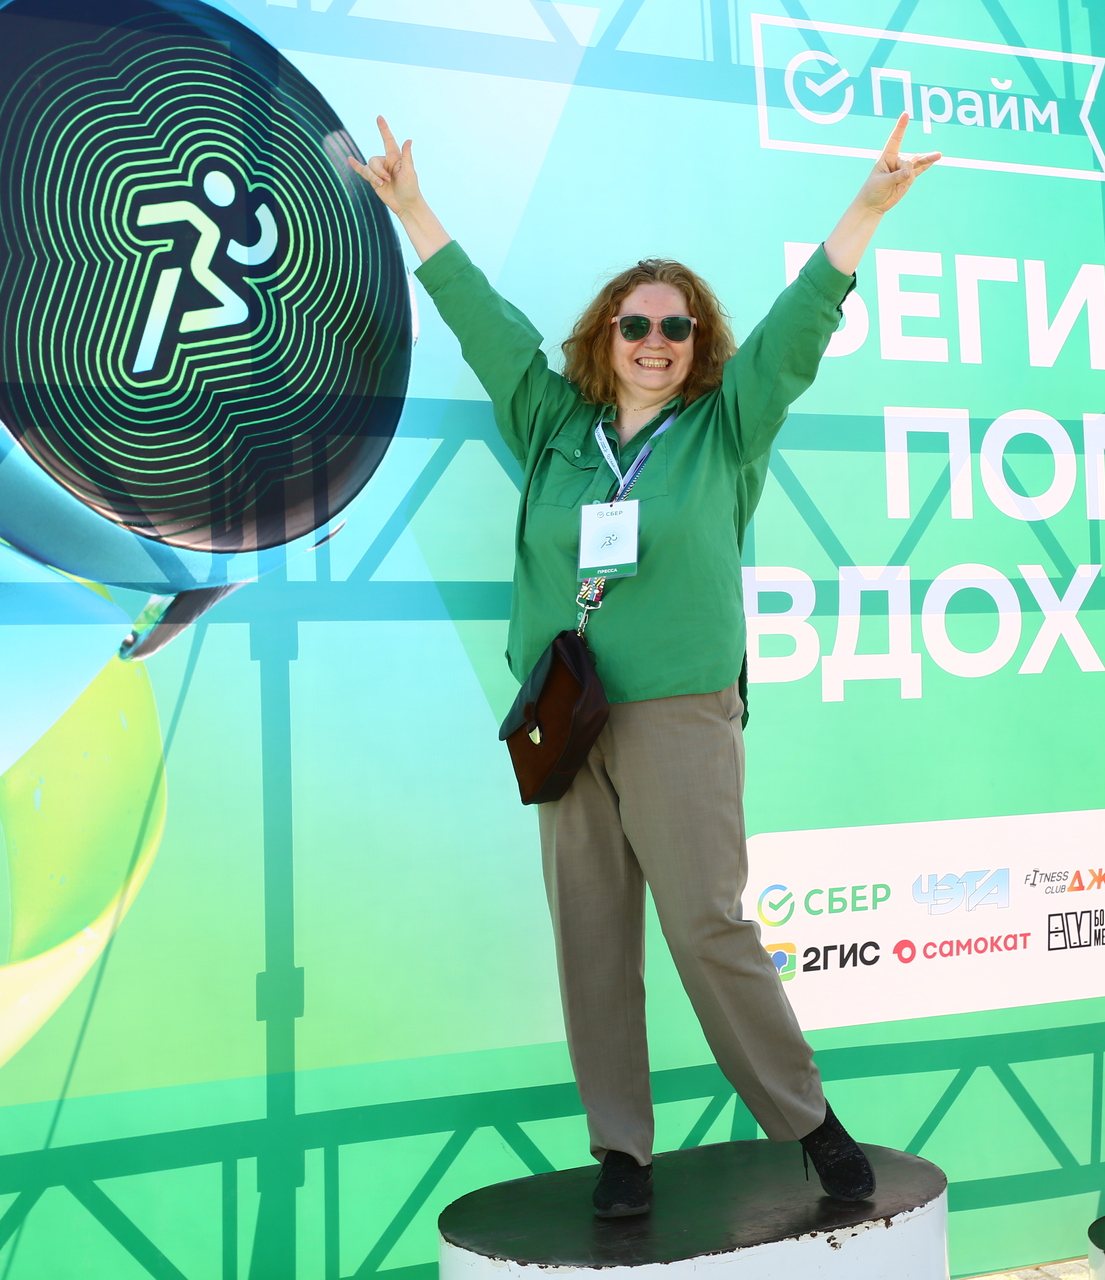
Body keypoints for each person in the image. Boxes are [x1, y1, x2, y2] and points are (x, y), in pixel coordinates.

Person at [348, 114, 938, 1218]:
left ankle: (809, 1123)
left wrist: (864, 211)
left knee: (708, 926)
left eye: (675, 326)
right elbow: (485, 326)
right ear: (606, 335)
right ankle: (622, 1148)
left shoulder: (725, 426)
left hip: (678, 713)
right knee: (591, 936)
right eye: (636, 324)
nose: (655, 340)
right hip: (566, 713)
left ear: (697, 342)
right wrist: (413, 211)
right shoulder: (553, 424)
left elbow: (797, 331)